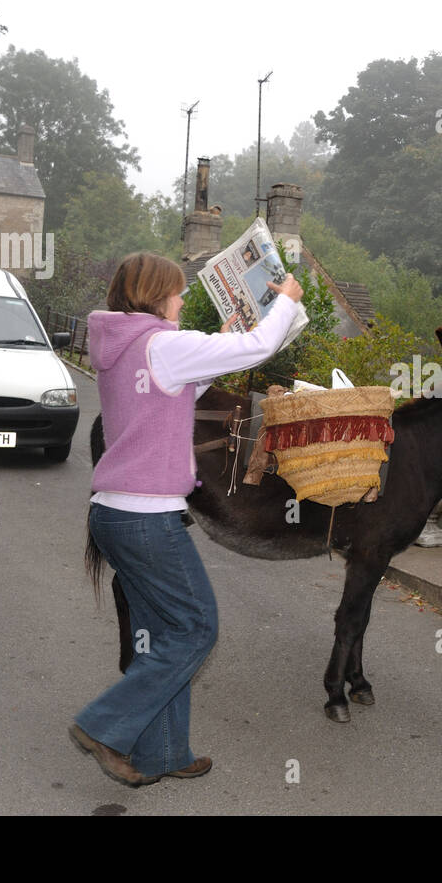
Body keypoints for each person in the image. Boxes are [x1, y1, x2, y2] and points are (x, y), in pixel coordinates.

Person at [73, 252, 302, 787]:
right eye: (176, 291)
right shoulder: (162, 344)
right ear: (156, 295)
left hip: (114, 513)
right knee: (197, 628)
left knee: (162, 633)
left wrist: (217, 345)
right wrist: (287, 302)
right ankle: (104, 725)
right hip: (146, 517)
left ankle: (164, 751)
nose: (180, 300)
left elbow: (176, 390)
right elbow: (260, 345)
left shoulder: (125, 345)